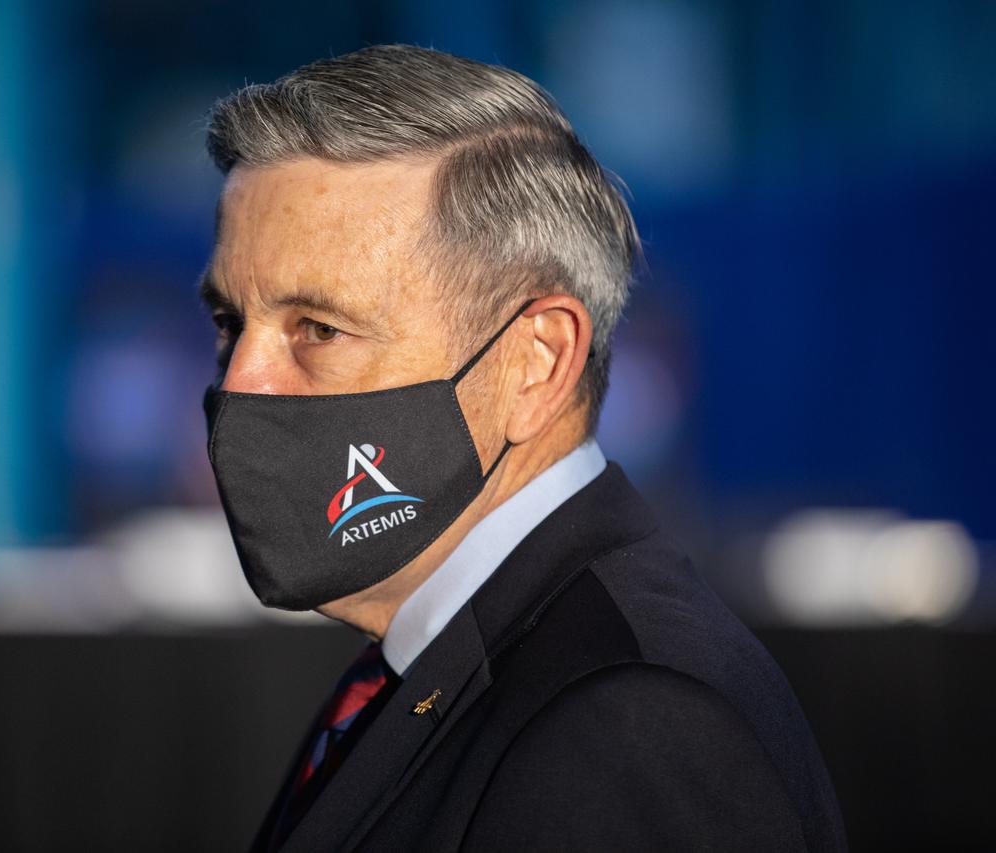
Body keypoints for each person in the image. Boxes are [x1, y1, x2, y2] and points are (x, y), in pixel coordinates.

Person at [197, 44, 845, 852]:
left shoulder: (629, 720)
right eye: (231, 324)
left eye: (319, 328)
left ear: (534, 361)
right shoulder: (445, 655)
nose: (242, 383)